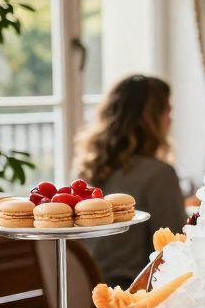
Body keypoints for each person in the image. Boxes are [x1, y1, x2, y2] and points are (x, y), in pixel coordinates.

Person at [74, 75, 186, 288]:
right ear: (152, 119)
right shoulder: (159, 174)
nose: (171, 120)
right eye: (168, 112)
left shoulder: (88, 170)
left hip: (88, 291)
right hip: (131, 293)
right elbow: (176, 249)